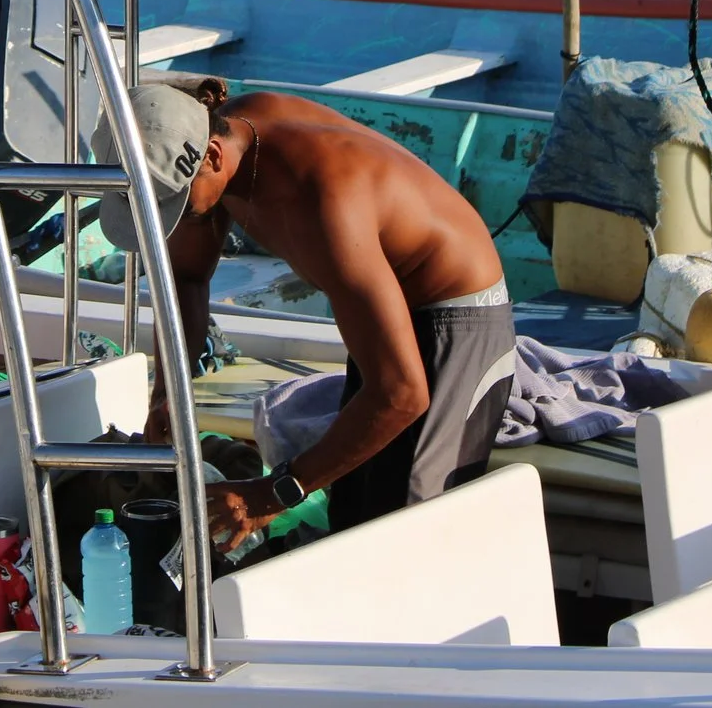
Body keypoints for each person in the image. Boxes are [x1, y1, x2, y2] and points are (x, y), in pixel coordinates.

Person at [98, 80, 513, 548]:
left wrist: (274, 493)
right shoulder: (218, 143)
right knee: (355, 514)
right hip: (382, 297)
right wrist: (167, 395)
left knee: (407, 530)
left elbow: (401, 394)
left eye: (174, 205)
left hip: (456, 315)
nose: (171, 220)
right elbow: (188, 277)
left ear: (212, 155)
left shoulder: (321, 204)